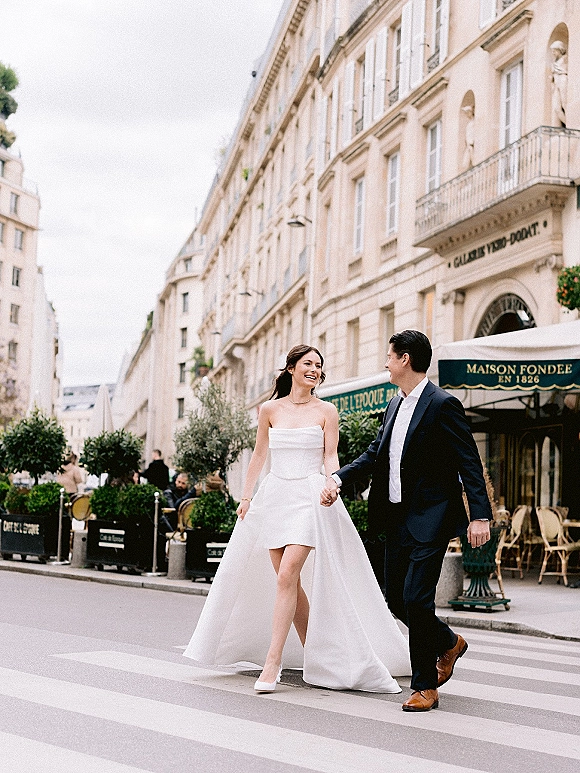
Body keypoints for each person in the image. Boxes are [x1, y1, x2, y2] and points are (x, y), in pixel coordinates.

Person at [184, 344, 411, 693]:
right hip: (275, 496)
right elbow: (259, 456)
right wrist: (246, 497)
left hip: (309, 497)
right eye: (308, 364)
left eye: (319, 366)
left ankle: (272, 663)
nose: (315, 370)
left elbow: (330, 455)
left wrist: (332, 484)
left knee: (289, 573)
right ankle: (315, 653)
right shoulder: (269, 409)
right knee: (288, 581)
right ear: (291, 368)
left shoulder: (327, 410)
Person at [322, 330, 491, 712]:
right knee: (396, 598)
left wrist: (479, 516)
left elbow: (469, 462)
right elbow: (373, 455)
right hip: (395, 518)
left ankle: (425, 686)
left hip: (431, 518)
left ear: (406, 359)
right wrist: (337, 477)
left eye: (389, 355)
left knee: (417, 598)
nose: (385, 362)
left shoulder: (443, 404)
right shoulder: (394, 405)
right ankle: (449, 642)